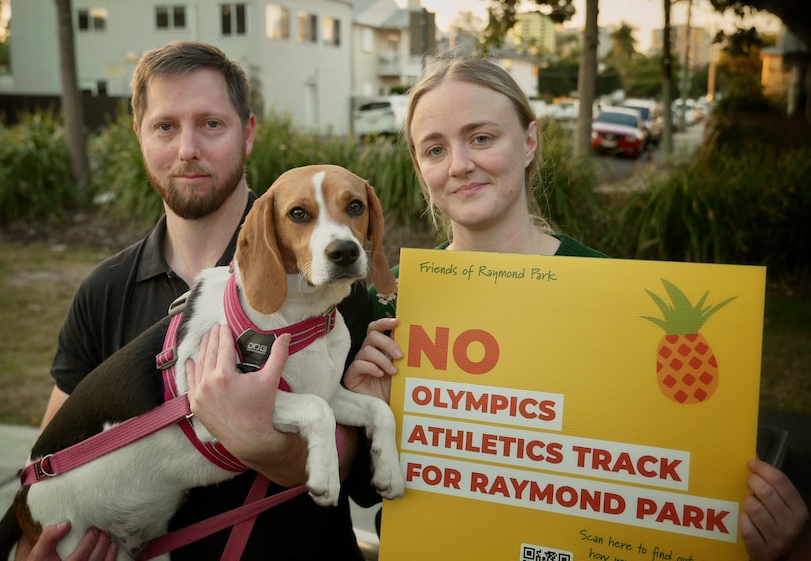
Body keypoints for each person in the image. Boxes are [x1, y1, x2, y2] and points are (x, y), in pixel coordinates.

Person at [343, 55, 810, 561]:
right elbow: (369, 493)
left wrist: (772, 537)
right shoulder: (391, 302)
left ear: (528, 142)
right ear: (420, 167)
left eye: (481, 138)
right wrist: (369, 413)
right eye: (435, 149)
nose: (459, 164)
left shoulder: (610, 292)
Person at [20, 40, 377, 560]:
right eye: (165, 126)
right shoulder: (103, 289)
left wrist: (261, 441)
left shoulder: (330, 275)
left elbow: (355, 471)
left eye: (211, 124)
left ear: (248, 133)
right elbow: (58, 449)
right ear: (139, 135)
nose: (188, 148)